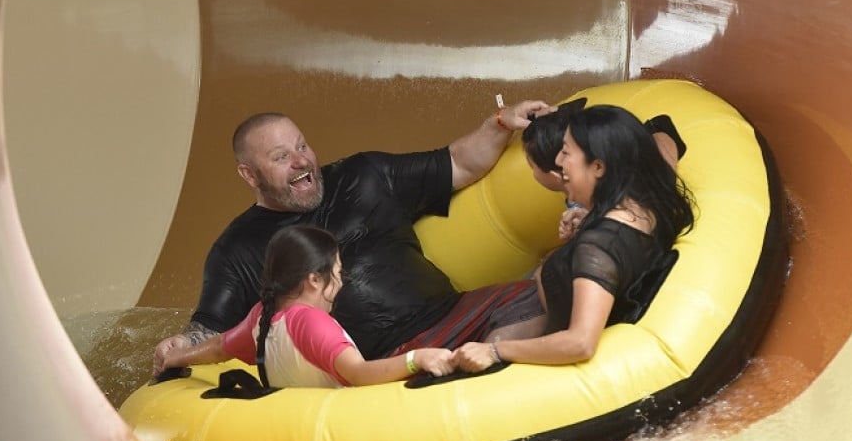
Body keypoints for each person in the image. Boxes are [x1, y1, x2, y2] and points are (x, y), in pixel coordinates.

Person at [153, 98, 555, 369]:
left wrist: (501, 122)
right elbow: (212, 328)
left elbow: (458, 164)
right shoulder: (237, 248)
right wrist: (179, 346)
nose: (301, 162)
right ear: (249, 174)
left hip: (451, 314)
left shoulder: (363, 176)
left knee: (540, 294)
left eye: (302, 146)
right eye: (281, 158)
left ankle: (489, 368)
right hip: (379, 363)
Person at [453, 105, 696, 370]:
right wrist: (591, 219)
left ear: (599, 166)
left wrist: (494, 350)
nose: (558, 161)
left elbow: (580, 342)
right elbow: (662, 131)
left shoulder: (598, 246)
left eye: (566, 152)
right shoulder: (650, 203)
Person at [152, 225, 454, 387]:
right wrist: (417, 359)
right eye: (337, 273)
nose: (340, 283)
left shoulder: (262, 317)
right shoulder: (309, 322)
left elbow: (218, 348)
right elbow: (359, 373)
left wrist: (176, 358)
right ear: (313, 280)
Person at [522, 98, 687, 240]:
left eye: (532, 166)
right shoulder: (590, 200)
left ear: (557, 174)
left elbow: (661, 127)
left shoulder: (626, 210)